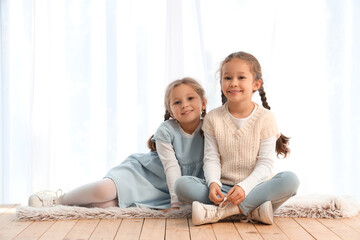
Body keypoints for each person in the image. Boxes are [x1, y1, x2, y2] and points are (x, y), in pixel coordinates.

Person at [28, 77, 207, 211]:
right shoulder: (166, 131)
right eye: (177, 102)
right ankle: (59, 200)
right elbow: (171, 168)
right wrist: (176, 203)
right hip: (144, 175)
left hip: (165, 191)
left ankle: (70, 208)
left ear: (204, 103)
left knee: (108, 205)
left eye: (190, 98)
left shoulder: (211, 128)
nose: (185, 105)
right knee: (102, 191)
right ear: (170, 111)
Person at [174, 51, 300, 225]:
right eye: (227, 78)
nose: (233, 83)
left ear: (256, 84)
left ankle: (226, 212)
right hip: (224, 189)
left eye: (241, 77)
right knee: (181, 185)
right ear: (220, 83)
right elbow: (211, 159)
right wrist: (213, 184)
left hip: (256, 187)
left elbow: (265, 163)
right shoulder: (213, 118)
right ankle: (253, 211)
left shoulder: (266, 118)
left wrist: (244, 187)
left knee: (290, 180)